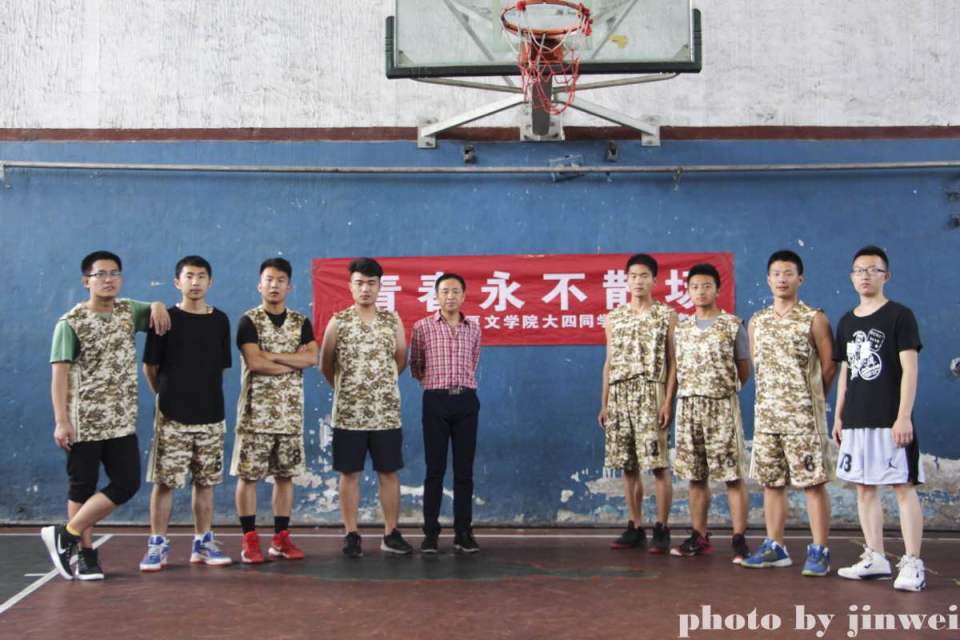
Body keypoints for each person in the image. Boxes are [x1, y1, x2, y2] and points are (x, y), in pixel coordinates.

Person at [42, 250, 171, 580]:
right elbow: (59, 377)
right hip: (84, 423)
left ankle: (66, 534)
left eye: (114, 273)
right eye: (100, 274)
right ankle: (85, 555)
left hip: (121, 421)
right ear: (86, 281)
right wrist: (61, 420)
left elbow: (153, 309)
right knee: (82, 488)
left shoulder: (128, 311)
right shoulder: (70, 323)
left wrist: (157, 304)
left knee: (127, 483)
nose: (108, 279)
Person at [832, 246, 925, 591]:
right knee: (864, 489)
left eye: (872, 269)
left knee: (903, 488)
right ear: (851, 277)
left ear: (886, 276)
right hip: (856, 420)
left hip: (890, 419)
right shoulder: (846, 321)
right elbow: (846, 373)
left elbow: (910, 370)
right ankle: (875, 557)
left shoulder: (900, 316)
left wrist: (904, 417)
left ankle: (913, 562)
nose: (865, 275)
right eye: (859, 270)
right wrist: (839, 416)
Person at [742, 250, 836, 576]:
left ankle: (820, 550)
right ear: (768, 280)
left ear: (800, 279)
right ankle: (775, 547)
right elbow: (756, 366)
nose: (782, 279)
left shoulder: (814, 318)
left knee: (813, 483)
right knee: (772, 483)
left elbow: (829, 365)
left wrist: (811, 400)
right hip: (767, 418)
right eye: (776, 274)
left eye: (788, 273)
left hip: (803, 419)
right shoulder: (757, 321)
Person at [139, 256, 232, 571]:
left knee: (205, 484)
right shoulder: (164, 318)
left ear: (210, 282)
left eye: (201, 276)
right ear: (177, 282)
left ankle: (203, 543)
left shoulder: (220, 320)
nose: (195, 282)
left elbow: (220, 368)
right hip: (172, 418)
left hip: (211, 417)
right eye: (189, 276)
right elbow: (150, 367)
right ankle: (157, 545)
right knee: (164, 483)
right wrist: (167, 397)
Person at [320, 257, 413, 558]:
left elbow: (400, 360)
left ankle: (391, 533)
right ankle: (351, 534)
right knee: (350, 474)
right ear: (350, 286)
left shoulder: (392, 321)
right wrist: (349, 389)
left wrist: (378, 387)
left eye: (371, 283)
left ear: (379, 287)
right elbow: (326, 364)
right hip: (349, 415)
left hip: (386, 414)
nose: (365, 289)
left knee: (389, 472)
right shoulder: (339, 321)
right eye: (359, 283)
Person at [231, 257, 317, 563]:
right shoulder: (248, 321)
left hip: (290, 416)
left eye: (281, 280)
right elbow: (254, 362)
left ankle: (281, 539)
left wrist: (273, 356)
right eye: (269, 280)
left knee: (285, 477)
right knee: (248, 477)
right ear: (259, 285)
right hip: (255, 415)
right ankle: (249, 539)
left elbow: (311, 358)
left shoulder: (301, 322)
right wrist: (291, 361)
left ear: (289, 286)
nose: (274, 285)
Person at [669, 264, 752, 563]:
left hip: (721, 407)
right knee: (695, 476)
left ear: (718, 290)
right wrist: (669, 402)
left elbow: (744, 368)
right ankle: (699, 536)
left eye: (706, 286)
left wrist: (724, 388)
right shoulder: (681, 329)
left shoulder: (732, 325)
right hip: (689, 407)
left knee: (732, 476)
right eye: (695, 287)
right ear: (688, 292)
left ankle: (739, 539)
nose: (701, 291)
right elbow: (676, 369)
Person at [598, 253, 677, 554]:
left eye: (644, 276)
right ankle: (635, 525)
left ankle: (662, 527)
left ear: (654, 280)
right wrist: (605, 403)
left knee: (658, 465)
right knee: (627, 465)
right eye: (633, 276)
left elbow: (674, 362)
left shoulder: (666, 315)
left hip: (651, 391)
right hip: (620, 394)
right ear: (626, 280)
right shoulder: (614, 317)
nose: (638, 281)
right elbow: (609, 362)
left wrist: (667, 401)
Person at [409, 273, 482, 554]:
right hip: (435, 402)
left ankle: (463, 532)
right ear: (436, 296)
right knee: (434, 470)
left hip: (466, 401)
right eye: (445, 291)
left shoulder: (474, 328)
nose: (450, 296)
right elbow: (416, 364)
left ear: (464, 295)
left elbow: (473, 361)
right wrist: (434, 385)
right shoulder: (422, 327)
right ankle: (431, 533)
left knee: (464, 472)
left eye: (455, 291)